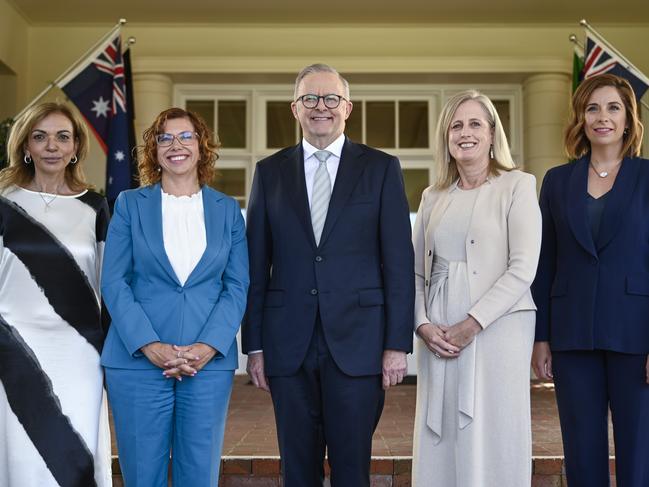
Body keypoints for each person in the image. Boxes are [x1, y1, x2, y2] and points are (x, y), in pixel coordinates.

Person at [242, 63, 414, 487]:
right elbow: (254, 266)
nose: (322, 107)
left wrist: (397, 344)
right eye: (310, 99)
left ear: (348, 108)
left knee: (352, 468)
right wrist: (255, 345)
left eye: (331, 98)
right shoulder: (269, 173)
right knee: (297, 470)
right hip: (288, 345)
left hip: (359, 344)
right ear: (295, 109)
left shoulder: (381, 168)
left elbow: (398, 263)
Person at [101, 107, 249, 486]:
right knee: (142, 474)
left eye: (185, 136)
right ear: (154, 150)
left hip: (207, 364)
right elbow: (114, 282)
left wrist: (208, 346)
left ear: (202, 147)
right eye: (164, 138)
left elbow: (236, 286)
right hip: (136, 362)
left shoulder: (228, 210)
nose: (175, 145)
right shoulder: (130, 205)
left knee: (199, 474)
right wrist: (150, 345)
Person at [411, 90, 541, 486]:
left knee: (494, 428)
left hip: (499, 329)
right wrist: (421, 325)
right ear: (446, 138)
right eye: (456, 125)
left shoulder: (518, 185)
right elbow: (415, 273)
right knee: (442, 432)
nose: (465, 133)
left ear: (490, 134)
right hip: (439, 334)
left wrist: (473, 323)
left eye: (474, 124)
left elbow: (523, 267)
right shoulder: (432, 197)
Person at [532, 73, 648, 487]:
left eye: (613, 107)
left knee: (641, 452)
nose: (602, 117)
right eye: (592, 108)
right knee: (582, 450)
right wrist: (540, 336)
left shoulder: (648, 177)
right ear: (580, 118)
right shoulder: (557, 182)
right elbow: (545, 262)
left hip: (637, 336)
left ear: (629, 119)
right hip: (571, 335)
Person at [0, 102, 111, 486]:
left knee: (75, 453)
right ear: (25, 146)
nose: (52, 146)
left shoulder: (95, 206)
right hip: (12, 348)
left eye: (63, 136)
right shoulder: (4, 204)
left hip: (80, 353)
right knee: (20, 456)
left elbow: (108, 284)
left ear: (76, 146)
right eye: (40, 136)